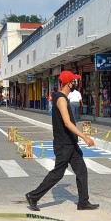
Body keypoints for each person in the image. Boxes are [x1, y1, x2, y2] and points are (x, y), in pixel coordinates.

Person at [25, 71, 99, 211]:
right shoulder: (61, 99)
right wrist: (85, 137)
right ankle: (33, 196)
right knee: (58, 173)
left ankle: (83, 202)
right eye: (73, 82)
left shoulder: (62, 97)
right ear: (69, 83)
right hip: (64, 144)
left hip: (70, 143)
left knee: (82, 171)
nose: (74, 84)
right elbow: (67, 123)